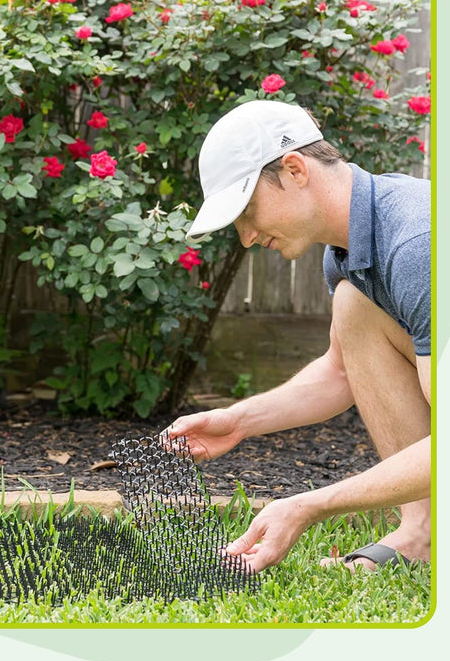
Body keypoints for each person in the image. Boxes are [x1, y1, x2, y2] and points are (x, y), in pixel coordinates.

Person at [161, 100, 431, 573]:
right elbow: (342, 369)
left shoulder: (418, 244)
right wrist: (240, 420)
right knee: (353, 306)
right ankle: (424, 533)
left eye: (246, 210)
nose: (245, 237)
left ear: (294, 169)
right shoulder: (349, 249)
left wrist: (309, 505)